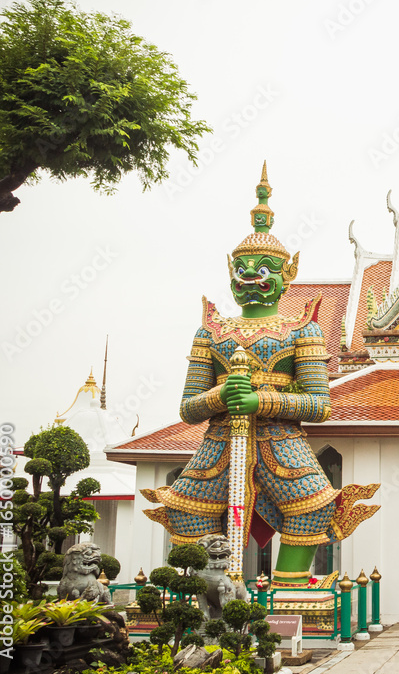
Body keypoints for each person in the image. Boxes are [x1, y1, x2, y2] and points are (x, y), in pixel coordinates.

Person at [142, 164, 378, 586]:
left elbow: (318, 405)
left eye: (264, 270)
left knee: (313, 507)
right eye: (243, 269)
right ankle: (202, 593)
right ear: (231, 275)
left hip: (281, 444)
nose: (251, 277)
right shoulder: (211, 331)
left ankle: (289, 590)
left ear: (287, 277)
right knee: (184, 509)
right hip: (220, 443)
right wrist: (219, 398)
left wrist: (259, 401)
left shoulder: (303, 330)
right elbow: (188, 408)